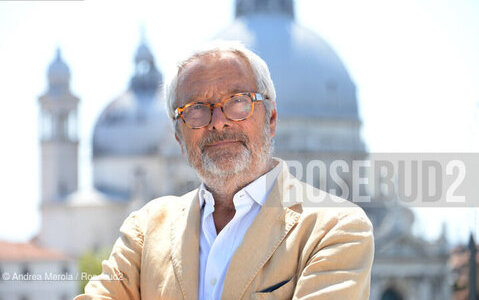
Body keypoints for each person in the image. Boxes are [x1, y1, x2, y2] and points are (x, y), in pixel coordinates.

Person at [75, 41, 374, 300]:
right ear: (179, 138)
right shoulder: (144, 231)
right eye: (196, 109)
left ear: (270, 119)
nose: (218, 121)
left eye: (238, 102)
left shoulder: (336, 228)